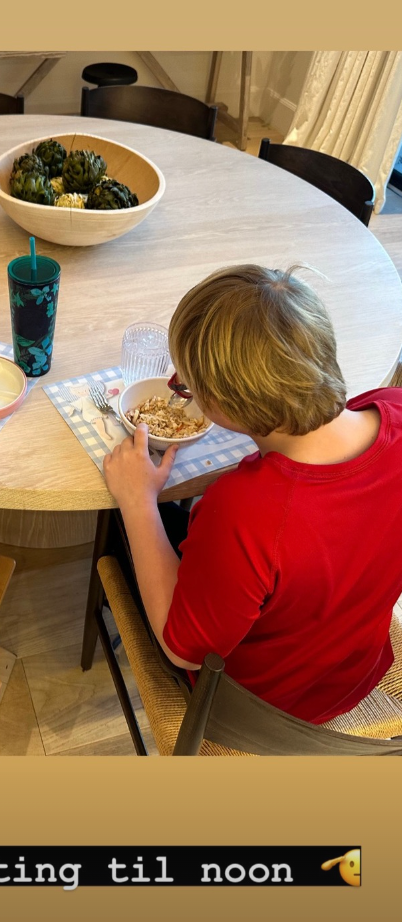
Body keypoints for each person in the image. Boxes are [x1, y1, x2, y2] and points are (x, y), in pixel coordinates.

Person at [103, 264, 402, 724]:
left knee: (121, 538)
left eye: (188, 384)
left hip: (262, 710)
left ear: (225, 404)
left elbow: (184, 651)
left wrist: (138, 499)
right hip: (352, 670)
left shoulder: (244, 511)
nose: (178, 386)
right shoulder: (393, 407)